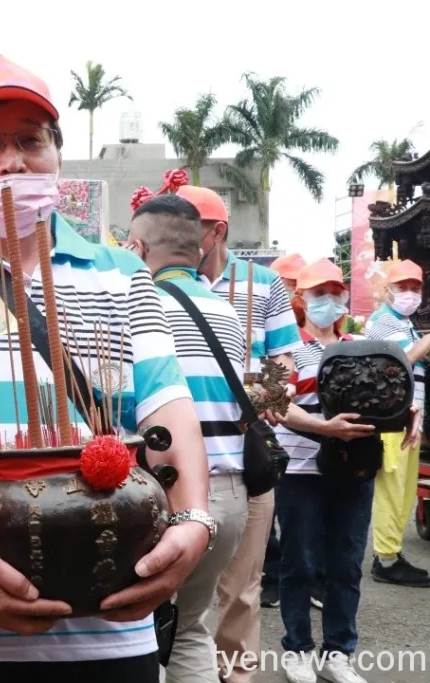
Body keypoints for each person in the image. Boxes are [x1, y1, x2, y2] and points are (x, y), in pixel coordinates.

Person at [0, 54, 214, 683]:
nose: (11, 161)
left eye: (30, 141)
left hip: (114, 623)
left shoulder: (123, 274)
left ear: (58, 157)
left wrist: (193, 523)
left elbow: (169, 408)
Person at [177, 185, 302, 683]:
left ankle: (236, 676)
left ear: (216, 232)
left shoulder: (263, 284)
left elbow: (284, 362)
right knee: (171, 590)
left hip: (245, 456)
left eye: (189, 227)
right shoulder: (151, 281)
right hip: (175, 458)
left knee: (242, 590)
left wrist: (264, 395)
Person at [125, 195, 249, 683]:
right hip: (229, 493)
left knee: (141, 632)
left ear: (137, 248)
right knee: (191, 628)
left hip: (164, 494)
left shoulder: (141, 308)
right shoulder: (227, 312)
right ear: (198, 250)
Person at [272, 259, 380, 683]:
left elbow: (386, 393)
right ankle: (297, 648)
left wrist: (406, 410)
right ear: (301, 298)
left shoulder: (361, 345)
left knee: (347, 563)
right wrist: (325, 428)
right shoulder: (284, 352)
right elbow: (273, 404)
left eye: (336, 293)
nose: (329, 301)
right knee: (298, 562)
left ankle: (339, 651)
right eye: (319, 293)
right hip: (299, 470)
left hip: (354, 469)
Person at [264, 252, 326, 610]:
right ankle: (274, 576)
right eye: (285, 285)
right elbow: (273, 390)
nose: (289, 293)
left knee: (307, 527)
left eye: (293, 286)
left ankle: (308, 580)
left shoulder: (336, 340)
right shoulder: (262, 323)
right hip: (270, 436)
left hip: (310, 447)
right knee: (267, 516)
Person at [365, 259, 430, 586]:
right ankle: (386, 560)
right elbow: (403, 360)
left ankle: (391, 553)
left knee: (403, 491)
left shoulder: (405, 324)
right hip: (392, 418)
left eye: (415, 287)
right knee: (392, 489)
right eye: (402, 287)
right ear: (387, 289)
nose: (410, 293)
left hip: (409, 417)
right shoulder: (383, 321)